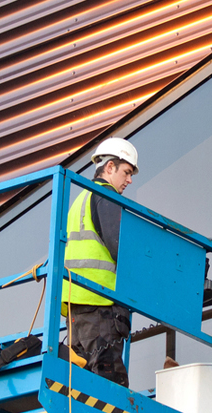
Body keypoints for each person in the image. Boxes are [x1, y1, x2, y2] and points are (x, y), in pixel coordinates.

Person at [62, 137, 138, 386]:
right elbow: (121, 248)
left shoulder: (79, 200)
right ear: (109, 168)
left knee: (82, 382)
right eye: (126, 172)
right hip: (99, 305)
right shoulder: (106, 196)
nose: (129, 180)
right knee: (109, 382)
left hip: (76, 306)